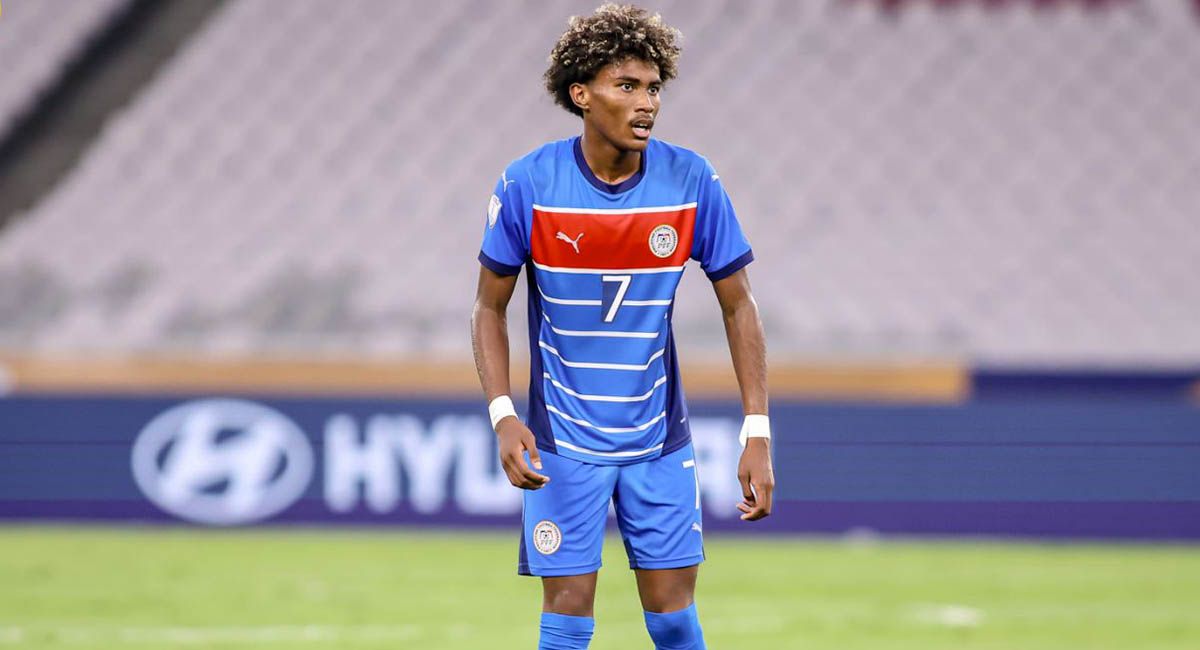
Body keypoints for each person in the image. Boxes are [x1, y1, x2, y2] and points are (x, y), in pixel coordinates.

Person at [470, 4, 773, 648]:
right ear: (581, 94)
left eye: (654, 88)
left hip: (657, 440)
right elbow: (488, 307)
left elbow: (739, 305)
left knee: (674, 620)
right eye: (627, 86)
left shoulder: (691, 180)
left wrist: (757, 430)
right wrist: (502, 414)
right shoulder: (528, 183)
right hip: (560, 443)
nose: (646, 103)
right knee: (566, 621)